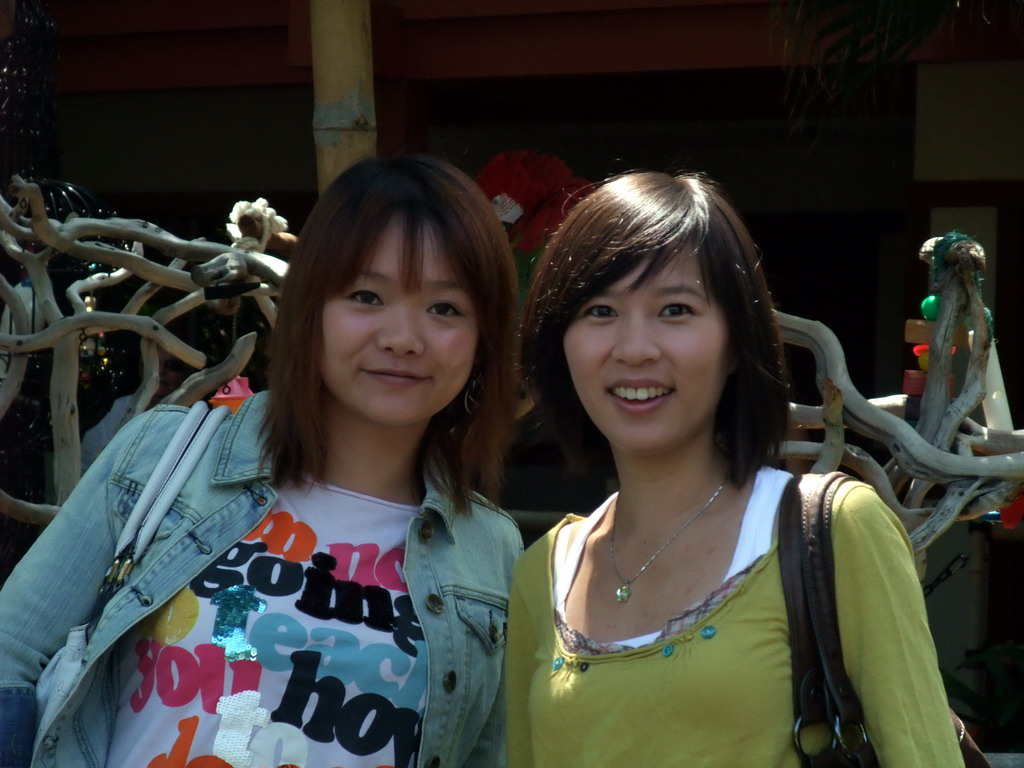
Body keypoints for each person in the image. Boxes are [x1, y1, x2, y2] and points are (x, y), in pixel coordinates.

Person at [0, 154, 522, 768]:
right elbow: (12, 654)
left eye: (444, 309)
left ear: (483, 338)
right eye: (366, 296)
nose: (403, 337)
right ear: (311, 311)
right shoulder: (166, 456)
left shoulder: (490, 548)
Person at [507, 171, 962, 766]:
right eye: (599, 311)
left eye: (675, 309)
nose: (635, 348)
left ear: (735, 344)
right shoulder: (543, 571)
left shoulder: (837, 530)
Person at [80, 345, 197, 472]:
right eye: (153, 363)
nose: (160, 371)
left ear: (186, 374)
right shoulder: (116, 409)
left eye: (171, 365)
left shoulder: (195, 418)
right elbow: (87, 460)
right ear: (141, 368)